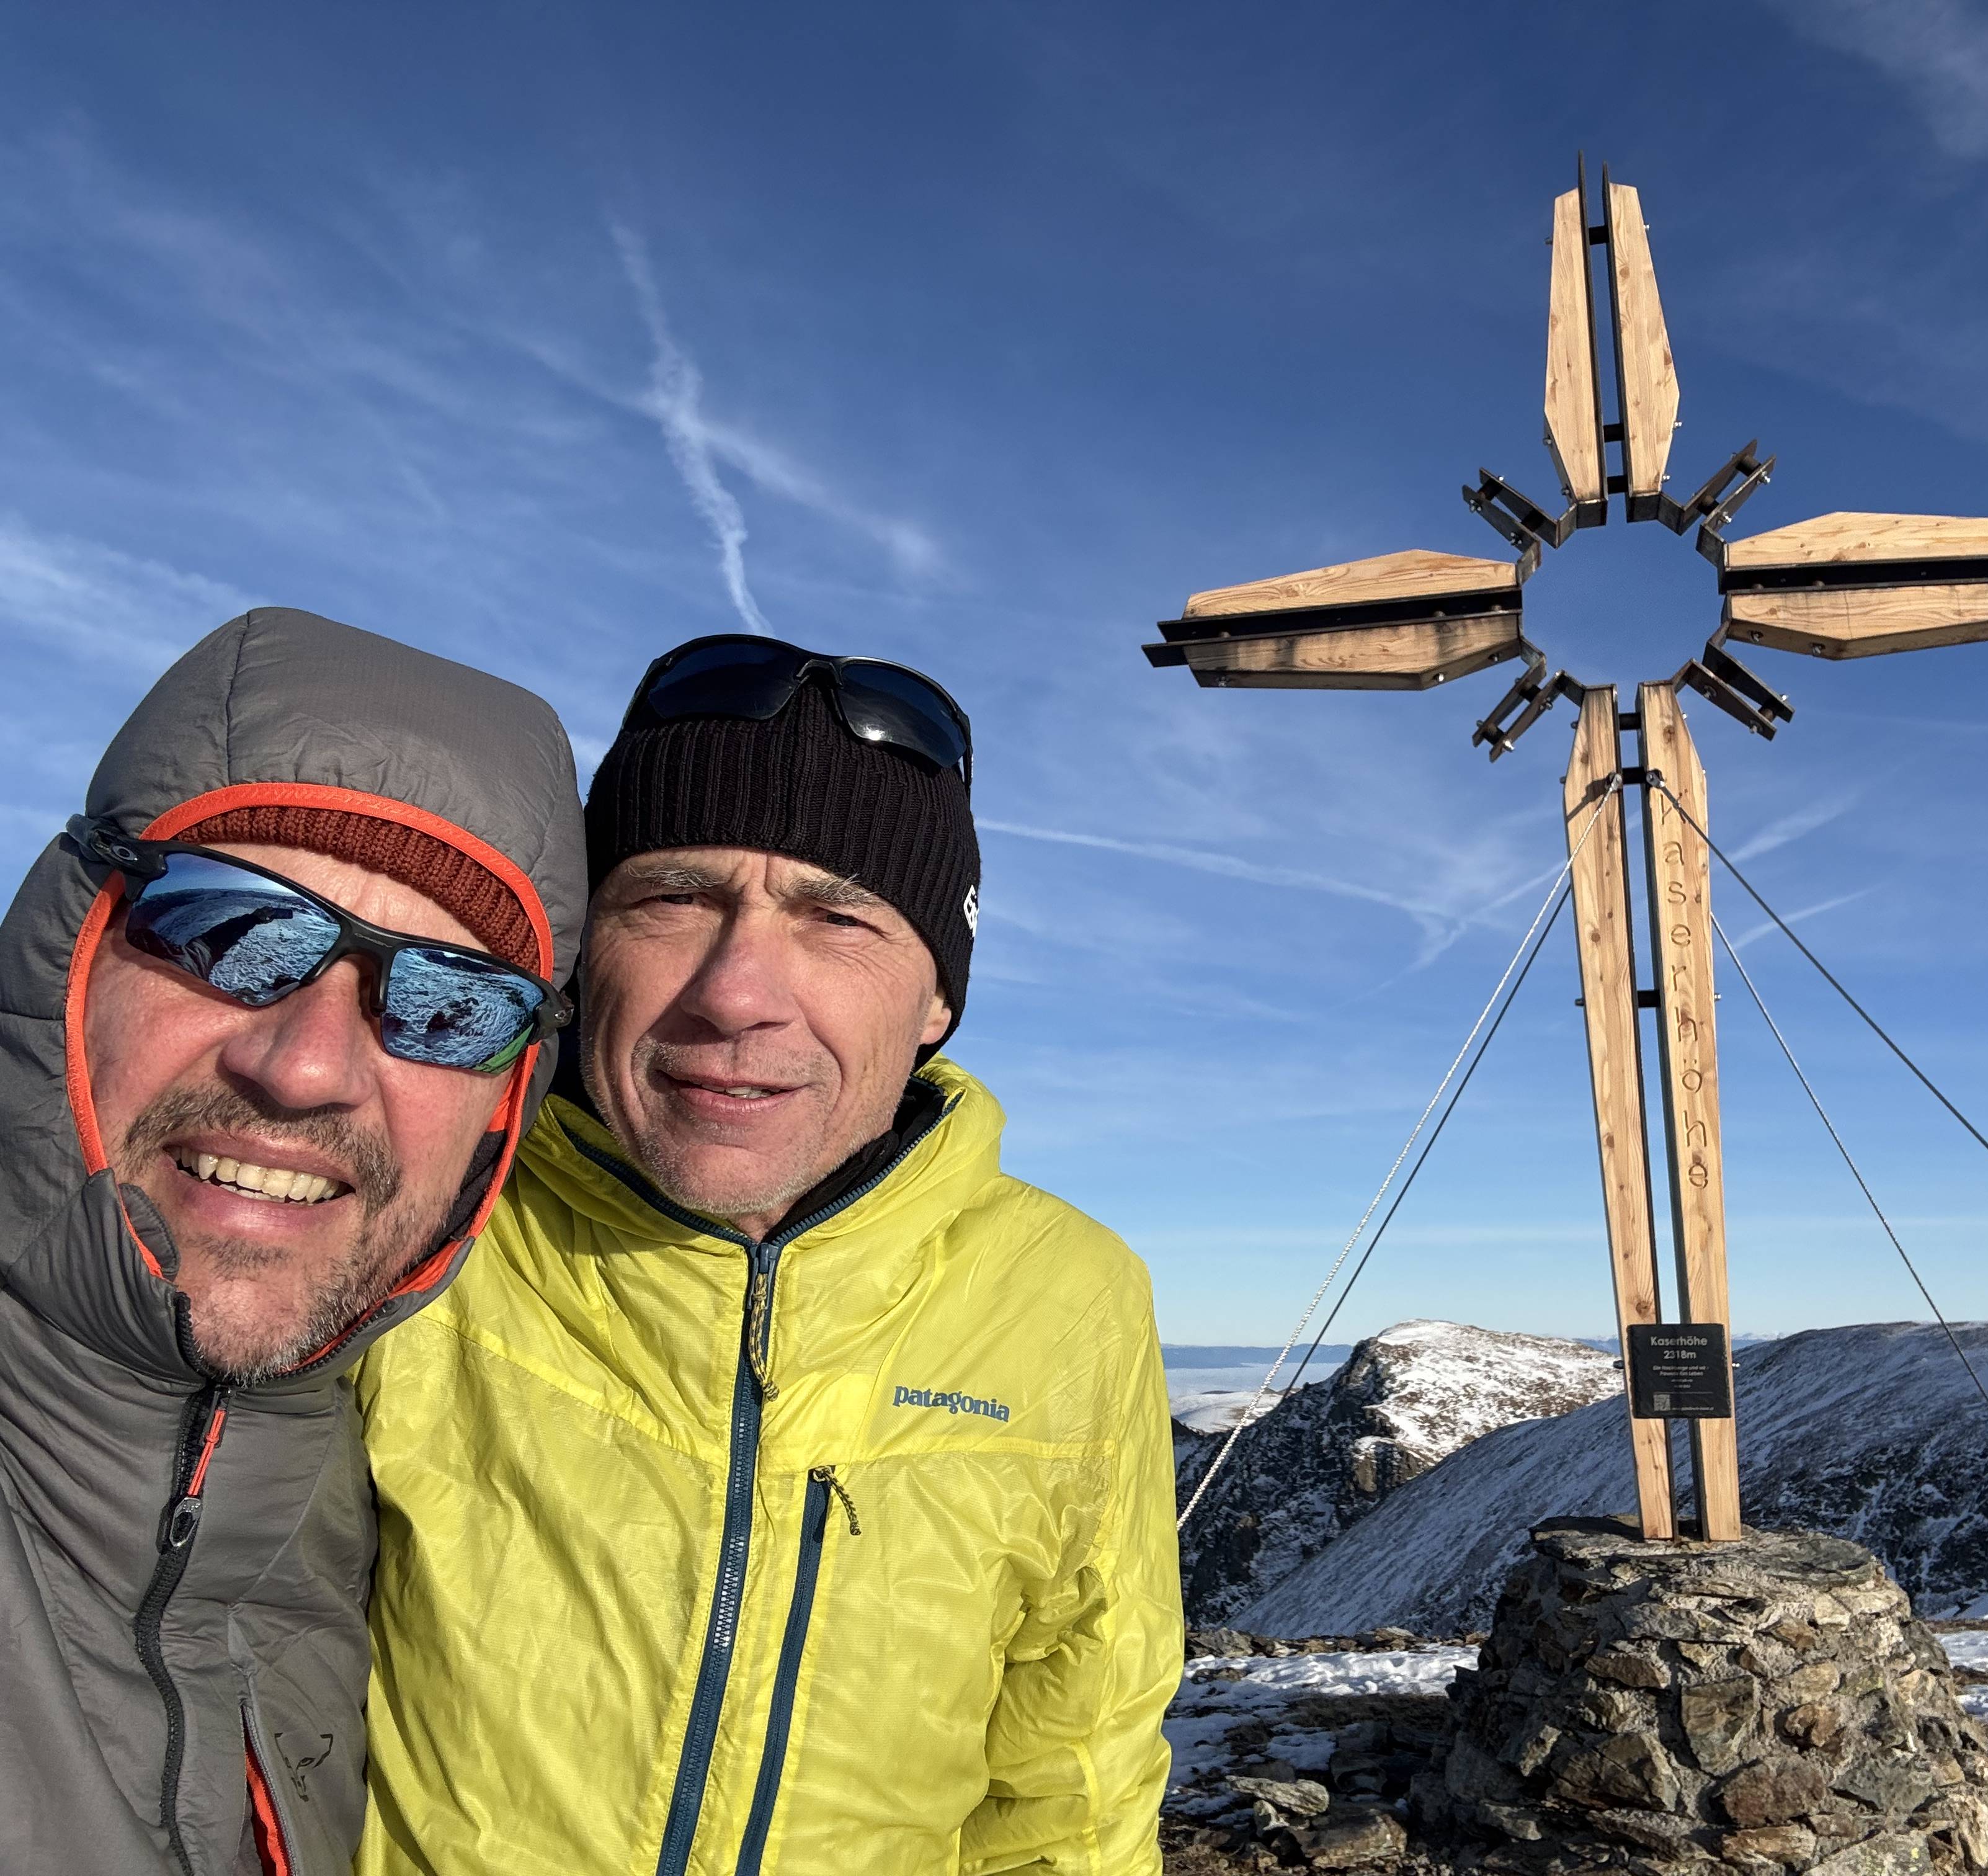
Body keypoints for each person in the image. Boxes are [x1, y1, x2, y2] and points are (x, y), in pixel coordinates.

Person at [357, 635, 1183, 1875]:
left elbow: (1072, 1788)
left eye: (838, 918)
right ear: (583, 950)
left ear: (938, 1001)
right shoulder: (428, 1209)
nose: (737, 992)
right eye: (674, 898)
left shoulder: (1071, 1297)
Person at [0, 608, 587, 1876]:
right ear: (71, 953)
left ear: (504, 1108)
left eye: (450, 1005)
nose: (308, 1066)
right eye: (226, 930)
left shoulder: (367, 1528)